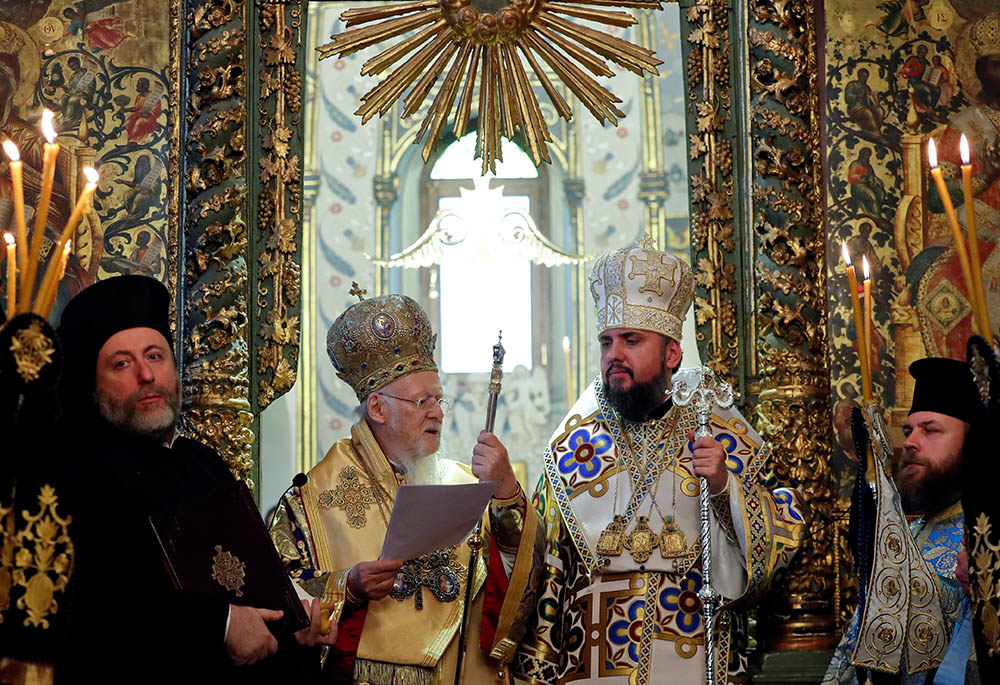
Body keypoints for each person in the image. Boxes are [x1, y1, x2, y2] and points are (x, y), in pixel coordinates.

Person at [512, 235, 806, 683]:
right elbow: (546, 572)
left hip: (694, 657)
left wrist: (726, 487)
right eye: (607, 342)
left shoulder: (715, 425)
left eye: (631, 340)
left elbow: (782, 539)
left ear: (672, 352)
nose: (615, 356)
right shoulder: (573, 445)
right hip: (592, 664)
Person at [56, 275, 336, 683]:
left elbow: (250, 581)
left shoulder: (204, 463)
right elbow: (99, 601)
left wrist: (294, 623)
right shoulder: (76, 474)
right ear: (93, 387)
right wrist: (220, 624)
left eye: (155, 356)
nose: (146, 375)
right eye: (121, 363)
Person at [268, 284, 542, 683]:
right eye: (422, 402)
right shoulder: (311, 498)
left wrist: (505, 493)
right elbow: (279, 600)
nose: (437, 413)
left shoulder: (462, 484)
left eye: (439, 400)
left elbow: (521, 584)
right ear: (377, 408)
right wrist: (351, 585)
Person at [823, 357, 980, 684]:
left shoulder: (986, 535)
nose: (909, 441)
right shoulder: (910, 531)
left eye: (931, 430)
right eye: (908, 430)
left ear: (976, 445)